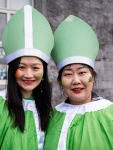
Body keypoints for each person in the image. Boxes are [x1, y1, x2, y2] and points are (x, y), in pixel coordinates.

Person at [0, 5, 54, 150]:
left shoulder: (48, 109)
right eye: (21, 67)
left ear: (44, 72)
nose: (28, 75)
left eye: (35, 68)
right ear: (12, 70)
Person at [44, 15, 113, 150]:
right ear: (60, 81)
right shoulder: (52, 116)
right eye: (68, 74)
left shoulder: (110, 114)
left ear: (93, 76)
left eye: (82, 73)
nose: (76, 81)